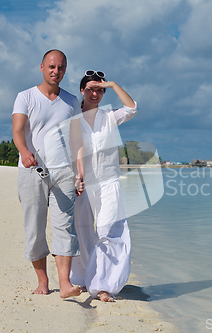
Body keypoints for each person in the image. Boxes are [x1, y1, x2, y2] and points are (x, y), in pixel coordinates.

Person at [12, 49, 82, 298]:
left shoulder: (72, 101)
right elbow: (18, 131)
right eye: (52, 66)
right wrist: (24, 151)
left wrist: (78, 173)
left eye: (61, 68)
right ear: (41, 67)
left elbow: (77, 141)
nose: (56, 71)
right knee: (34, 229)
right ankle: (43, 280)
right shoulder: (25, 97)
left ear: (65, 70)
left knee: (65, 227)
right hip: (32, 171)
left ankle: (65, 284)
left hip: (63, 171)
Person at [69, 70, 137, 302]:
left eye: (99, 90)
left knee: (108, 231)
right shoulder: (73, 117)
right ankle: (85, 278)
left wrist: (113, 84)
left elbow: (131, 108)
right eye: (90, 89)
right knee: (83, 232)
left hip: (109, 182)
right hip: (83, 183)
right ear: (82, 91)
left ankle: (104, 285)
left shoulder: (110, 116)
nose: (95, 93)